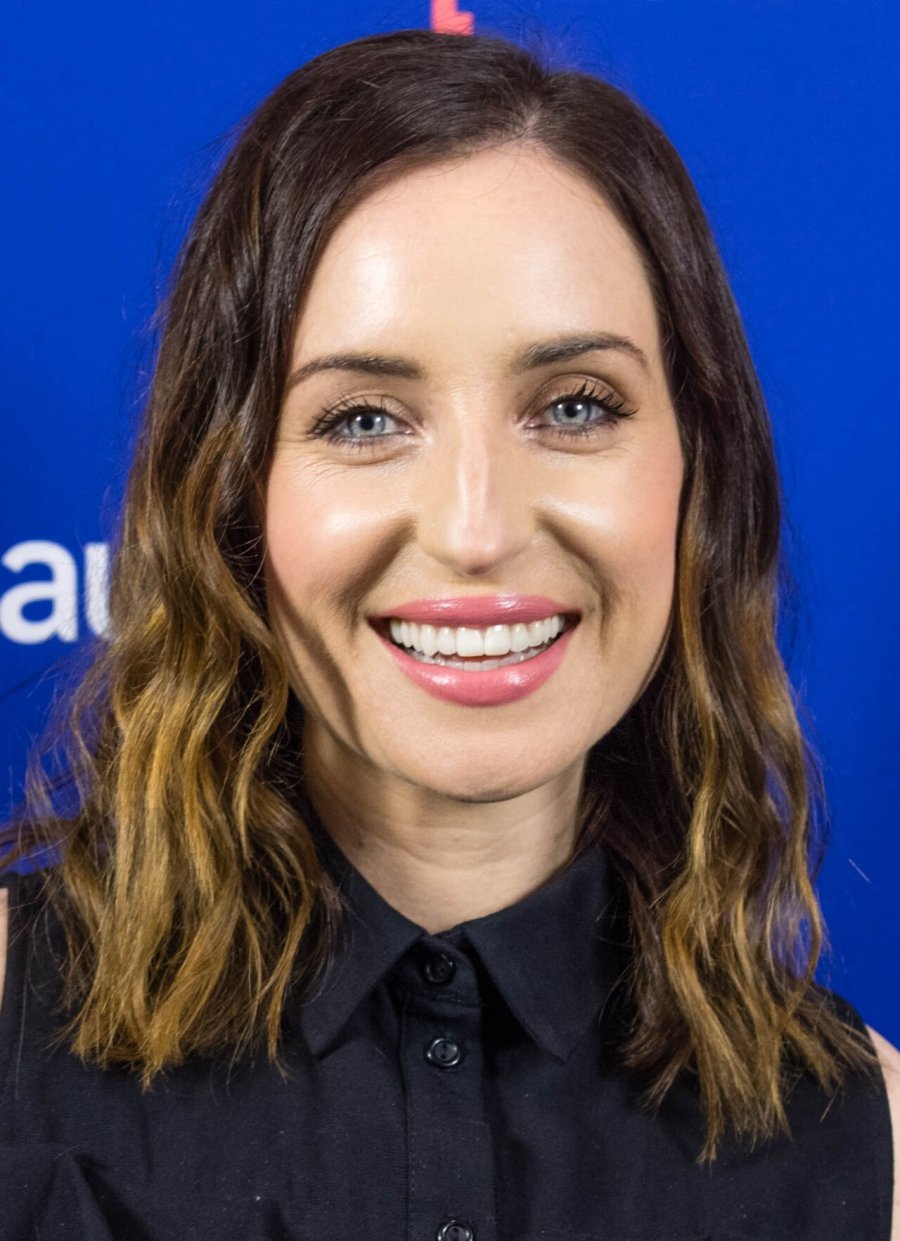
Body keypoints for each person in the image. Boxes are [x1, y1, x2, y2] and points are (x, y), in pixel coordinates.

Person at [0, 26, 897, 1240]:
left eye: (574, 405)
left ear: (701, 473)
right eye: (365, 419)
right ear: (231, 493)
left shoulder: (877, 1151)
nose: (477, 530)